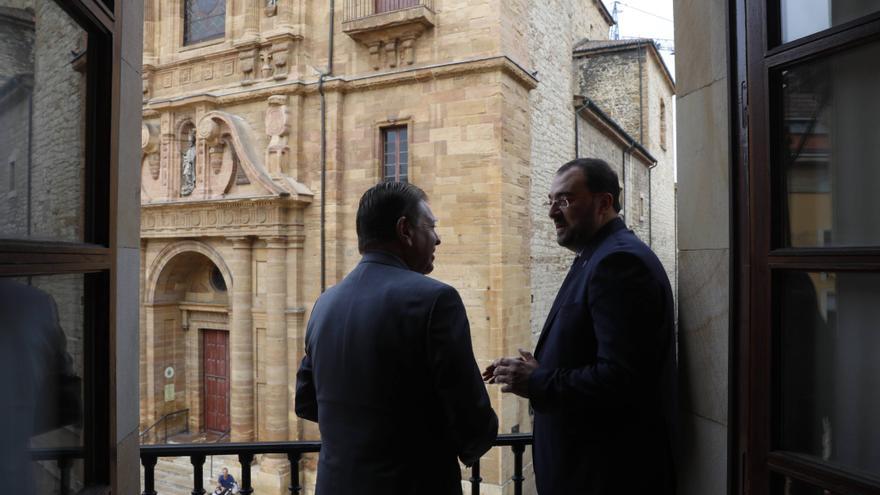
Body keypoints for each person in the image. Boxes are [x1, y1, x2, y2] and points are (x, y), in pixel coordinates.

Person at [484, 158, 677, 495]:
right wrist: (540, 367)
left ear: (604, 203)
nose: (552, 213)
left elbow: (621, 379)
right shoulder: (598, 256)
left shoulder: (620, 263)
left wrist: (537, 379)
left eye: (565, 200)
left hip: (604, 476)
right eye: (551, 201)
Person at [295, 181, 498, 495]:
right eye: (431, 226)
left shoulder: (325, 303)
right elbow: (473, 421)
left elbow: (306, 401)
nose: (438, 238)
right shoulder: (436, 300)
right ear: (405, 230)